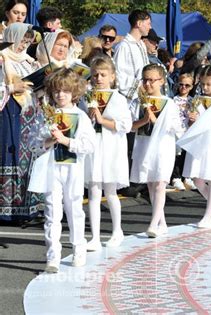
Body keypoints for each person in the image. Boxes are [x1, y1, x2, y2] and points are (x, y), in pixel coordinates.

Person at [28, 68, 95, 273]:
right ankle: (53, 256)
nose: (60, 95)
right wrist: (49, 139)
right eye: (56, 91)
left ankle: (78, 248)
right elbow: (33, 143)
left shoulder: (80, 116)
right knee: (51, 211)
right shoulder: (47, 115)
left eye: (65, 91)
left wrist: (66, 140)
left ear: (74, 92)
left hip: (72, 168)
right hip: (52, 168)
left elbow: (89, 145)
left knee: (74, 208)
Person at [84, 57, 132, 250]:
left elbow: (125, 125)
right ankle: (94, 236)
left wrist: (102, 120)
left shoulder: (119, 99)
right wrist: (89, 117)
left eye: (103, 75)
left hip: (111, 147)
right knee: (94, 192)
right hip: (94, 147)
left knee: (110, 192)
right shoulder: (87, 97)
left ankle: (117, 230)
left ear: (112, 77)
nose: (99, 78)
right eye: (95, 75)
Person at [176, 65, 211, 228]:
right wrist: (192, 119)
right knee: (196, 177)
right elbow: (190, 121)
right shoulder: (197, 99)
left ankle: (208, 214)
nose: (205, 88)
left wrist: (206, 120)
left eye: (208, 84)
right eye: (203, 84)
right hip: (199, 142)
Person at [132, 64, 182, 237]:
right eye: (145, 80)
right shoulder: (138, 102)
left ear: (161, 81)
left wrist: (155, 120)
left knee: (160, 183)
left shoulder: (169, 103)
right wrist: (144, 119)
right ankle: (162, 222)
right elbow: (131, 126)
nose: (148, 84)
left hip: (163, 147)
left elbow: (176, 127)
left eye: (152, 80)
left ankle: (153, 223)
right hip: (145, 145)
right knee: (151, 184)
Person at [0, 23, 42, 221]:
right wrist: (10, 87)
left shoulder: (28, 61)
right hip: (8, 112)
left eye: (27, 40)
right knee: (9, 155)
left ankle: (24, 208)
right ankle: (6, 209)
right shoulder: (3, 57)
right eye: (21, 39)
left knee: (25, 159)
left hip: (28, 115)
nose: (23, 44)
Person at [113, 9, 151, 102]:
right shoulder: (123, 46)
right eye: (148, 23)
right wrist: (139, 87)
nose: (150, 27)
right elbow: (118, 75)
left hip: (144, 96)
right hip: (129, 100)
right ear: (139, 23)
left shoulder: (141, 44)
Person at [170, 72, 197, 191]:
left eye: (187, 85)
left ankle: (187, 177)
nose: (183, 87)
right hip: (176, 130)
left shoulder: (193, 101)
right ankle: (176, 177)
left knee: (187, 155)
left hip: (188, 130)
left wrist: (193, 119)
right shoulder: (173, 100)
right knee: (177, 154)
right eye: (181, 84)